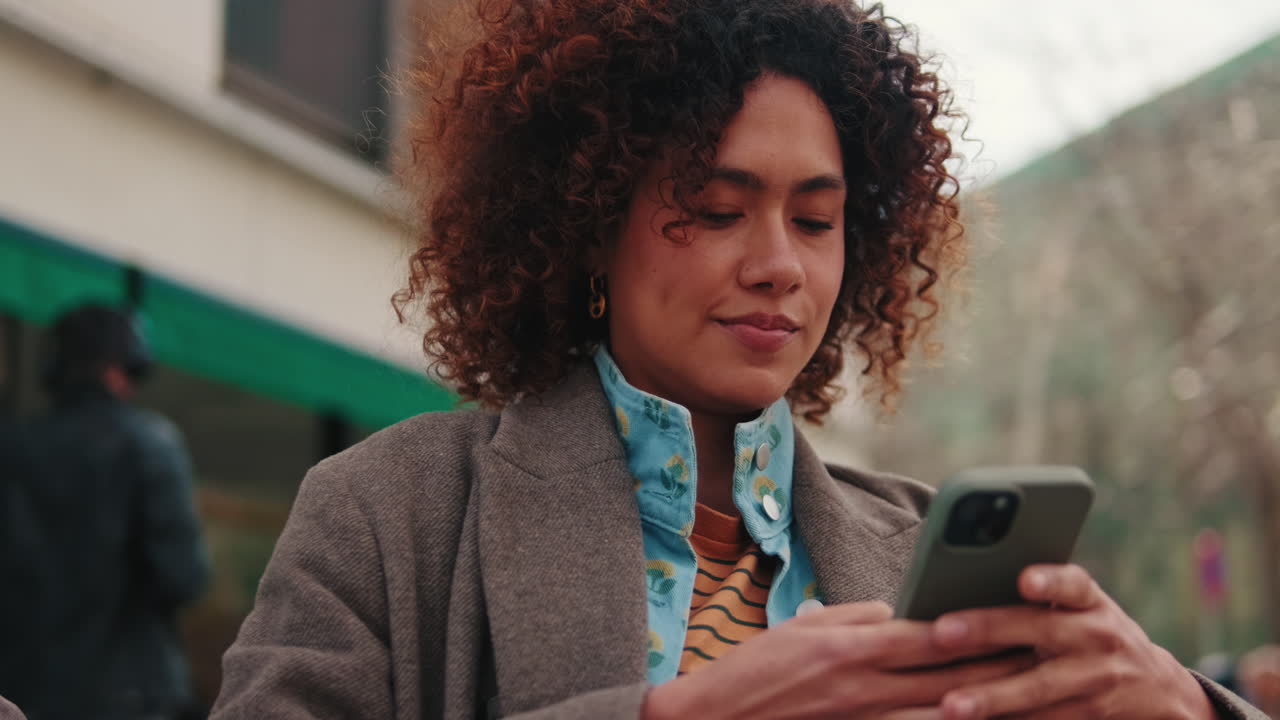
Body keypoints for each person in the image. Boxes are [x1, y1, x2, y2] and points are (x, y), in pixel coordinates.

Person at [212, 0, 1265, 717]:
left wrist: (1178, 702)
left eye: (816, 221)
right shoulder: (388, 515)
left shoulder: (921, 547)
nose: (778, 266)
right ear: (587, 223)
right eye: (717, 209)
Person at [0, 304, 210, 720]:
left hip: (24, 694)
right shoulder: (149, 443)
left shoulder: (11, 449)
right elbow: (185, 578)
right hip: (130, 697)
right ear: (119, 369)